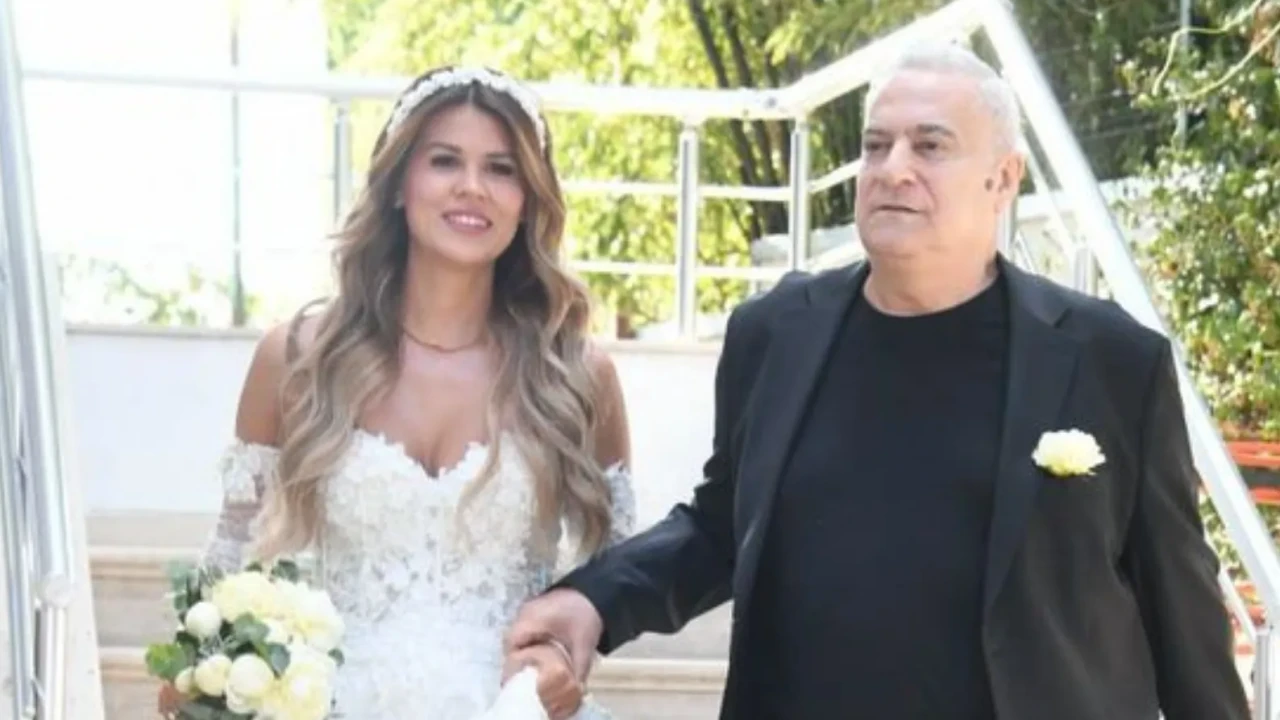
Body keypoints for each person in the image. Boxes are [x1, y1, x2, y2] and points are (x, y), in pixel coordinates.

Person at [505, 43, 1250, 720]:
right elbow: (720, 527)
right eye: (875, 145)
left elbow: (1181, 611)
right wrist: (595, 600)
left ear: (1002, 179)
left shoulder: (1111, 361)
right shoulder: (774, 335)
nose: (893, 168)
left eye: (930, 146)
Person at [160, 65, 635, 720]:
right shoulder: (297, 358)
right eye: (445, 161)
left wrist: (558, 655)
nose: (472, 187)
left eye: (501, 169)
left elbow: (610, 581)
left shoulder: (576, 374)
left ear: (528, 199)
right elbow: (231, 564)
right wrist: (205, 668)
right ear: (397, 185)